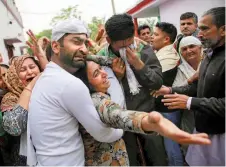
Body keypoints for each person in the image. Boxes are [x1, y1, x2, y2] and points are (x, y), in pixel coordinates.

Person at [27, 18, 124, 166]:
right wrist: (122, 129)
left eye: (85, 43)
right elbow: (102, 133)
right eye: (76, 42)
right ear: (55, 46)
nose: (84, 49)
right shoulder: (69, 84)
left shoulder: (48, 76)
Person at [77, 60, 210, 166]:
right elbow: (118, 115)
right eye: (96, 74)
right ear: (86, 84)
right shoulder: (97, 100)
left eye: (101, 68)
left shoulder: (96, 95)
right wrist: (148, 122)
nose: (105, 73)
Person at [155, 7, 225, 166]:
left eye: (205, 29)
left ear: (223, 30)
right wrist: (171, 90)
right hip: (203, 129)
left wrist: (190, 102)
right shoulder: (209, 55)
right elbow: (198, 87)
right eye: (199, 29)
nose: (199, 34)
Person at [97, 13, 166, 166]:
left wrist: (139, 65)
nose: (127, 49)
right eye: (121, 47)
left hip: (148, 115)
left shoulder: (143, 49)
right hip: (120, 123)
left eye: (130, 43)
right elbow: (99, 94)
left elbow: (156, 82)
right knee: (130, 161)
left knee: (157, 159)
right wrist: (117, 78)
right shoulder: (101, 58)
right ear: (109, 41)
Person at [0, 54, 42, 166]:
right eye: (23, 70)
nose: (29, 72)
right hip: (25, 159)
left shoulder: (47, 92)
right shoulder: (11, 98)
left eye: (32, 67)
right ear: (15, 76)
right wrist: (31, 86)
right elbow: (15, 127)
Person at [151, 22, 183, 165]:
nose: (152, 37)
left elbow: (152, 80)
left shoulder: (168, 56)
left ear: (166, 39)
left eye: (155, 34)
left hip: (168, 108)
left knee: (171, 146)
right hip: (164, 107)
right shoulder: (161, 53)